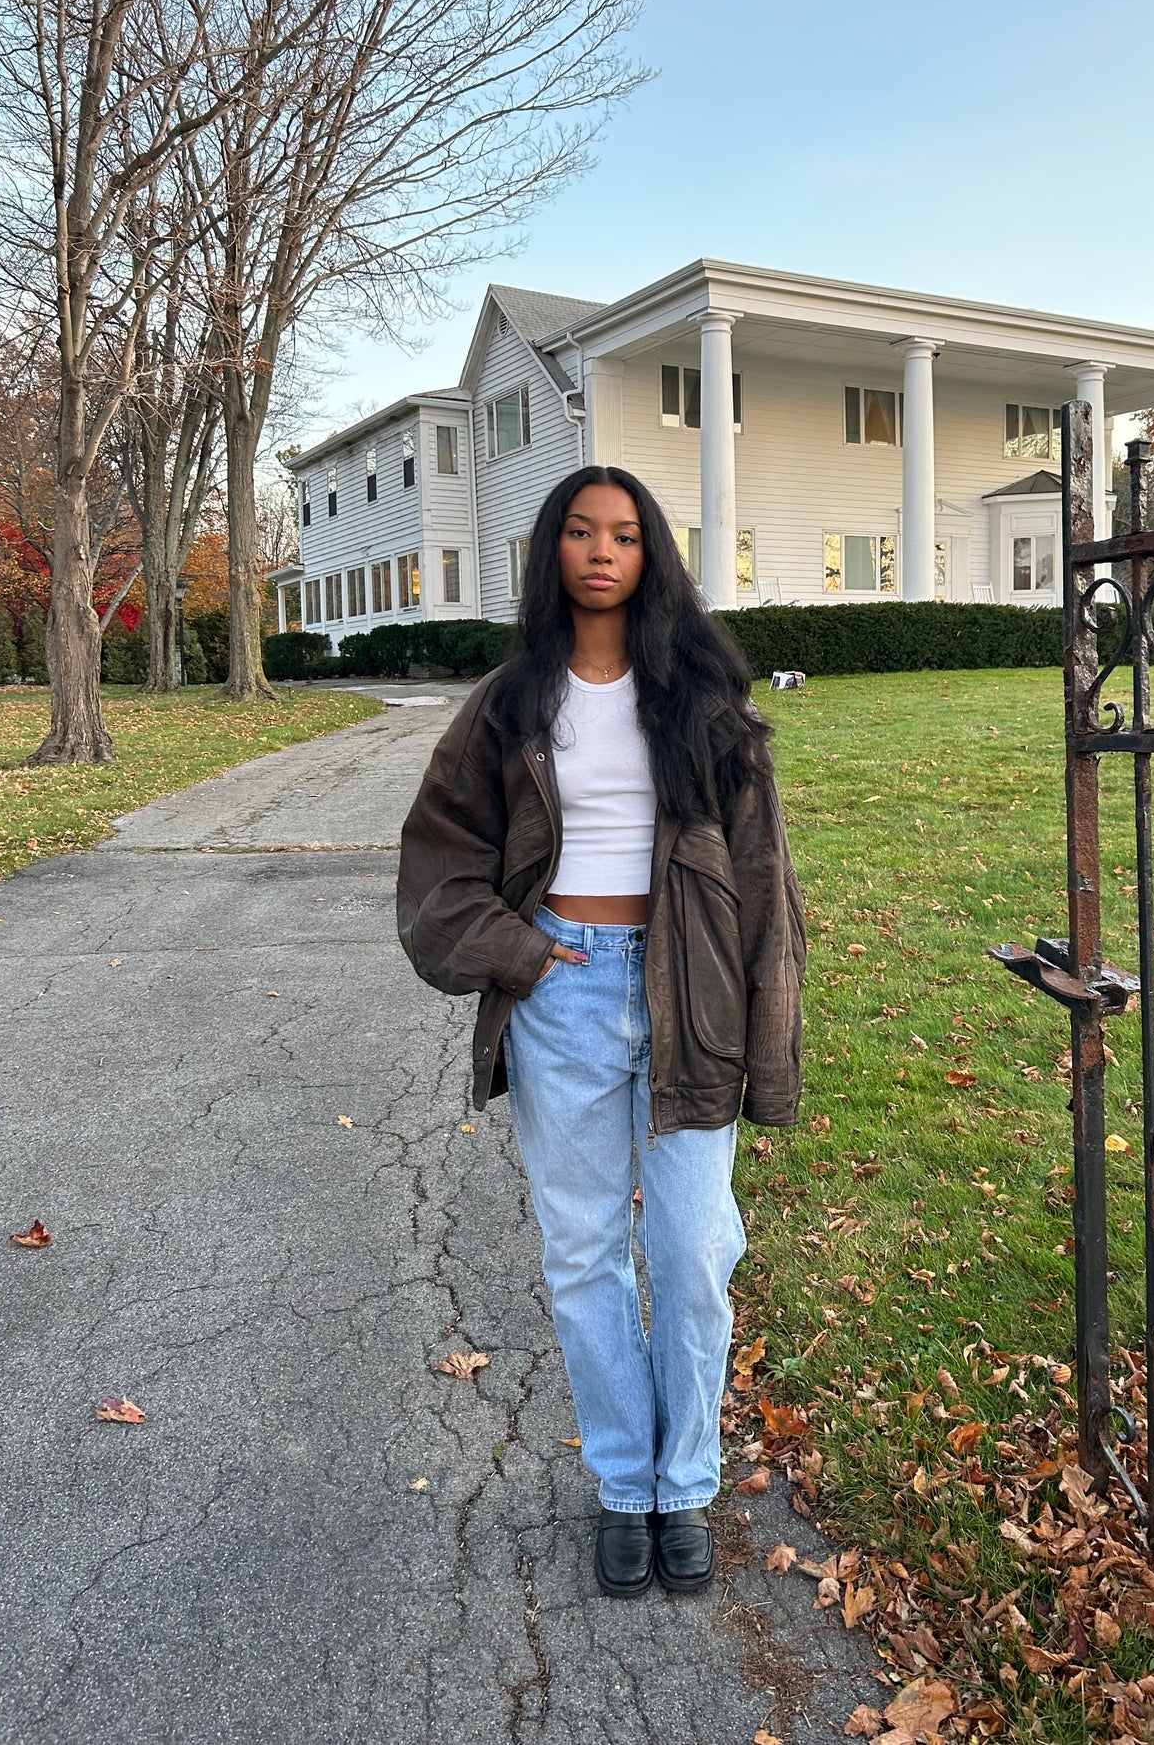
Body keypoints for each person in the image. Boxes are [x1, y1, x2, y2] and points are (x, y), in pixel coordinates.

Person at [396, 465, 806, 1600]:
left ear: (648, 554)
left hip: (692, 990)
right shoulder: (510, 702)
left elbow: (762, 876)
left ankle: (687, 1479)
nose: (601, 551)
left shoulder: (702, 699)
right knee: (583, 1254)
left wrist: (770, 1037)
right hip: (564, 994)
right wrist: (523, 954)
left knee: (691, 1253)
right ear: (554, 550)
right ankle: (627, 1486)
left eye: (623, 534)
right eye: (580, 532)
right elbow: (440, 857)